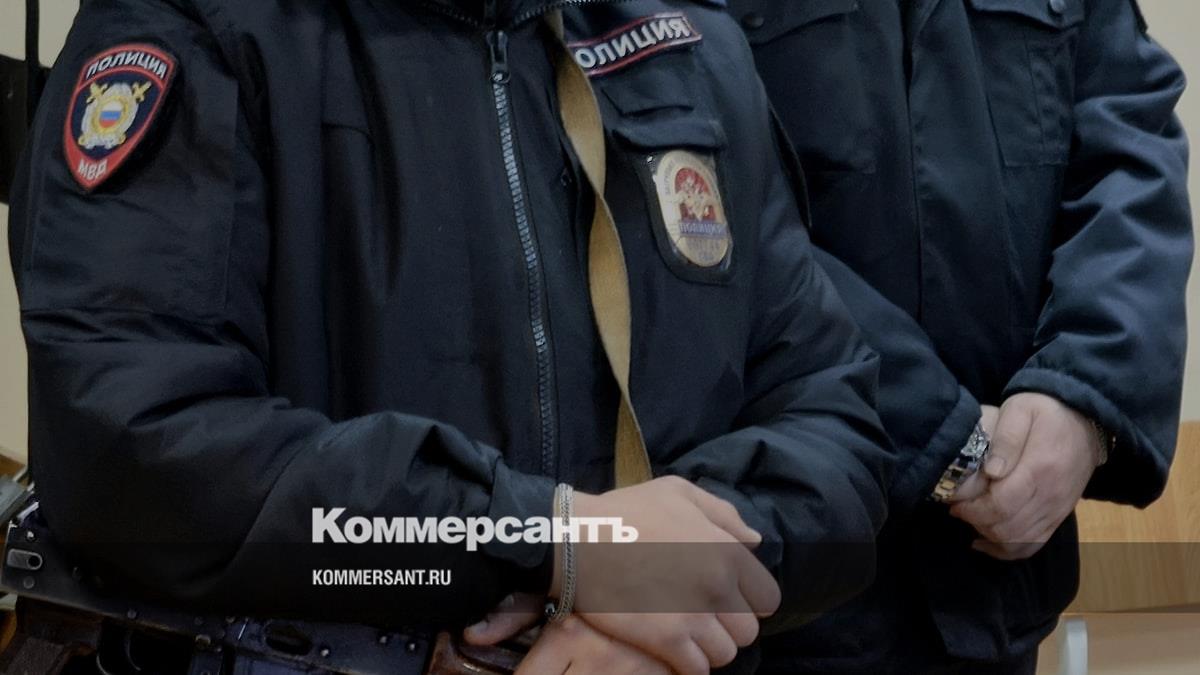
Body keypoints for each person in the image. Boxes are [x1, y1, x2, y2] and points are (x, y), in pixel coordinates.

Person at [6, 0, 911, 672]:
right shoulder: (203, 25)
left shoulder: (686, 47)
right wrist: (550, 543)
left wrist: (669, 587)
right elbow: (132, 445)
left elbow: (835, 425)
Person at [728, 0, 1193, 673]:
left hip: (995, 587)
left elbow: (1130, 147)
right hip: (780, 566)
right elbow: (710, 205)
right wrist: (947, 439)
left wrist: (1083, 400)